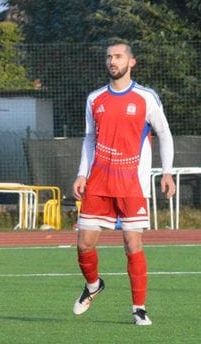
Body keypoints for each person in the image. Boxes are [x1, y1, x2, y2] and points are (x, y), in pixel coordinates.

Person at [72, 40, 175, 326]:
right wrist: (82, 173)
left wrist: (167, 172)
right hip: (99, 182)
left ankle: (138, 308)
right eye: (109, 57)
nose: (112, 61)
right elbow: (90, 138)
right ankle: (93, 285)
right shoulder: (95, 99)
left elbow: (164, 134)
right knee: (84, 244)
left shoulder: (145, 97)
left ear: (131, 62)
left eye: (118, 56)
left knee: (132, 243)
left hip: (132, 183)